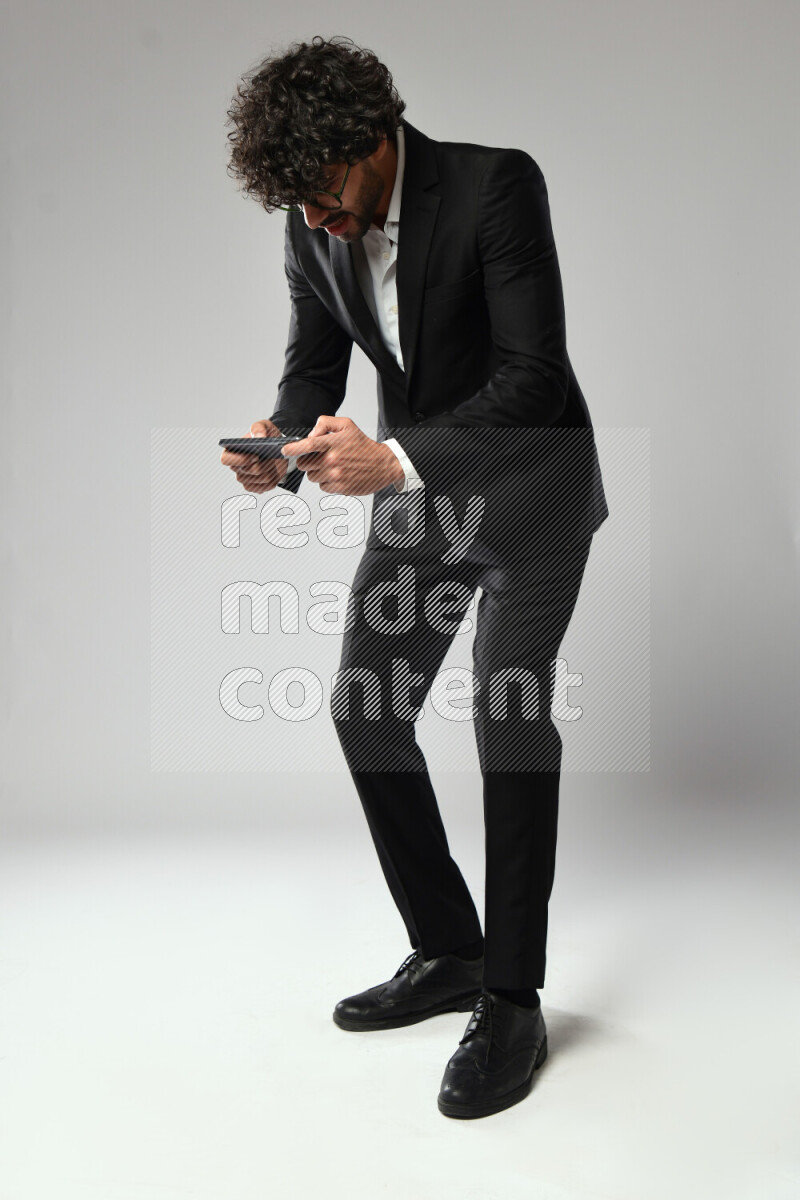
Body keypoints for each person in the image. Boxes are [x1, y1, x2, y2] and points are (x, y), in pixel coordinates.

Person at [221, 36, 609, 1119]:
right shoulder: (315, 231)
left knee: (505, 710)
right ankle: (447, 950)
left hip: (530, 494)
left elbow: (533, 380)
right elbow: (312, 368)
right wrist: (277, 446)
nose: (314, 218)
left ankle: (513, 997)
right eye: (292, 203)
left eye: (326, 191)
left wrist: (391, 460)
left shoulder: (493, 185)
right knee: (367, 708)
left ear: (372, 140)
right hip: (425, 503)